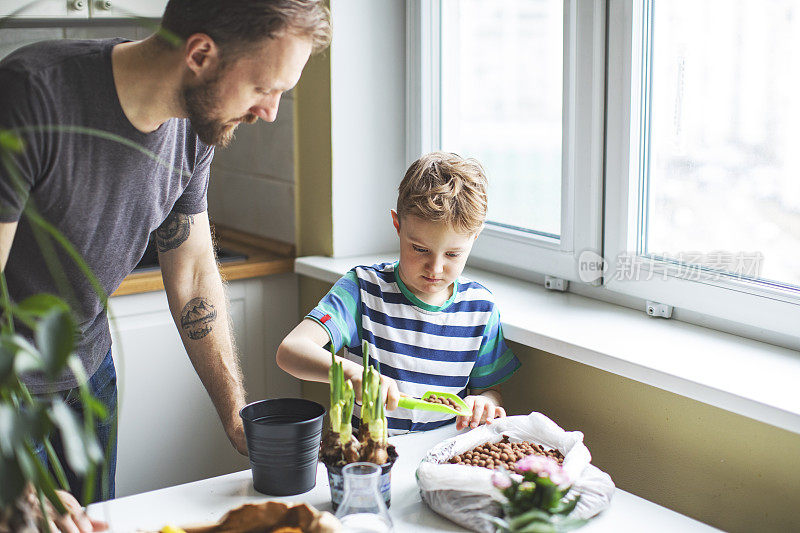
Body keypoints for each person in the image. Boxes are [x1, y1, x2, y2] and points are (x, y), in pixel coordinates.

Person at [0, 0, 331, 530]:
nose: (269, 111)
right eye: (264, 88)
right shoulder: (31, 95)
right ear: (200, 54)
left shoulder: (195, 128)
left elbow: (196, 271)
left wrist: (235, 412)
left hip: (88, 373)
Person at [277, 152, 521, 434]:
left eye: (453, 253)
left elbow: (490, 390)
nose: (436, 267)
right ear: (398, 225)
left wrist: (485, 402)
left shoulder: (480, 309)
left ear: (474, 238)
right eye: (420, 249)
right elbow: (290, 352)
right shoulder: (362, 290)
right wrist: (352, 374)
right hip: (367, 461)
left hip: (442, 458)